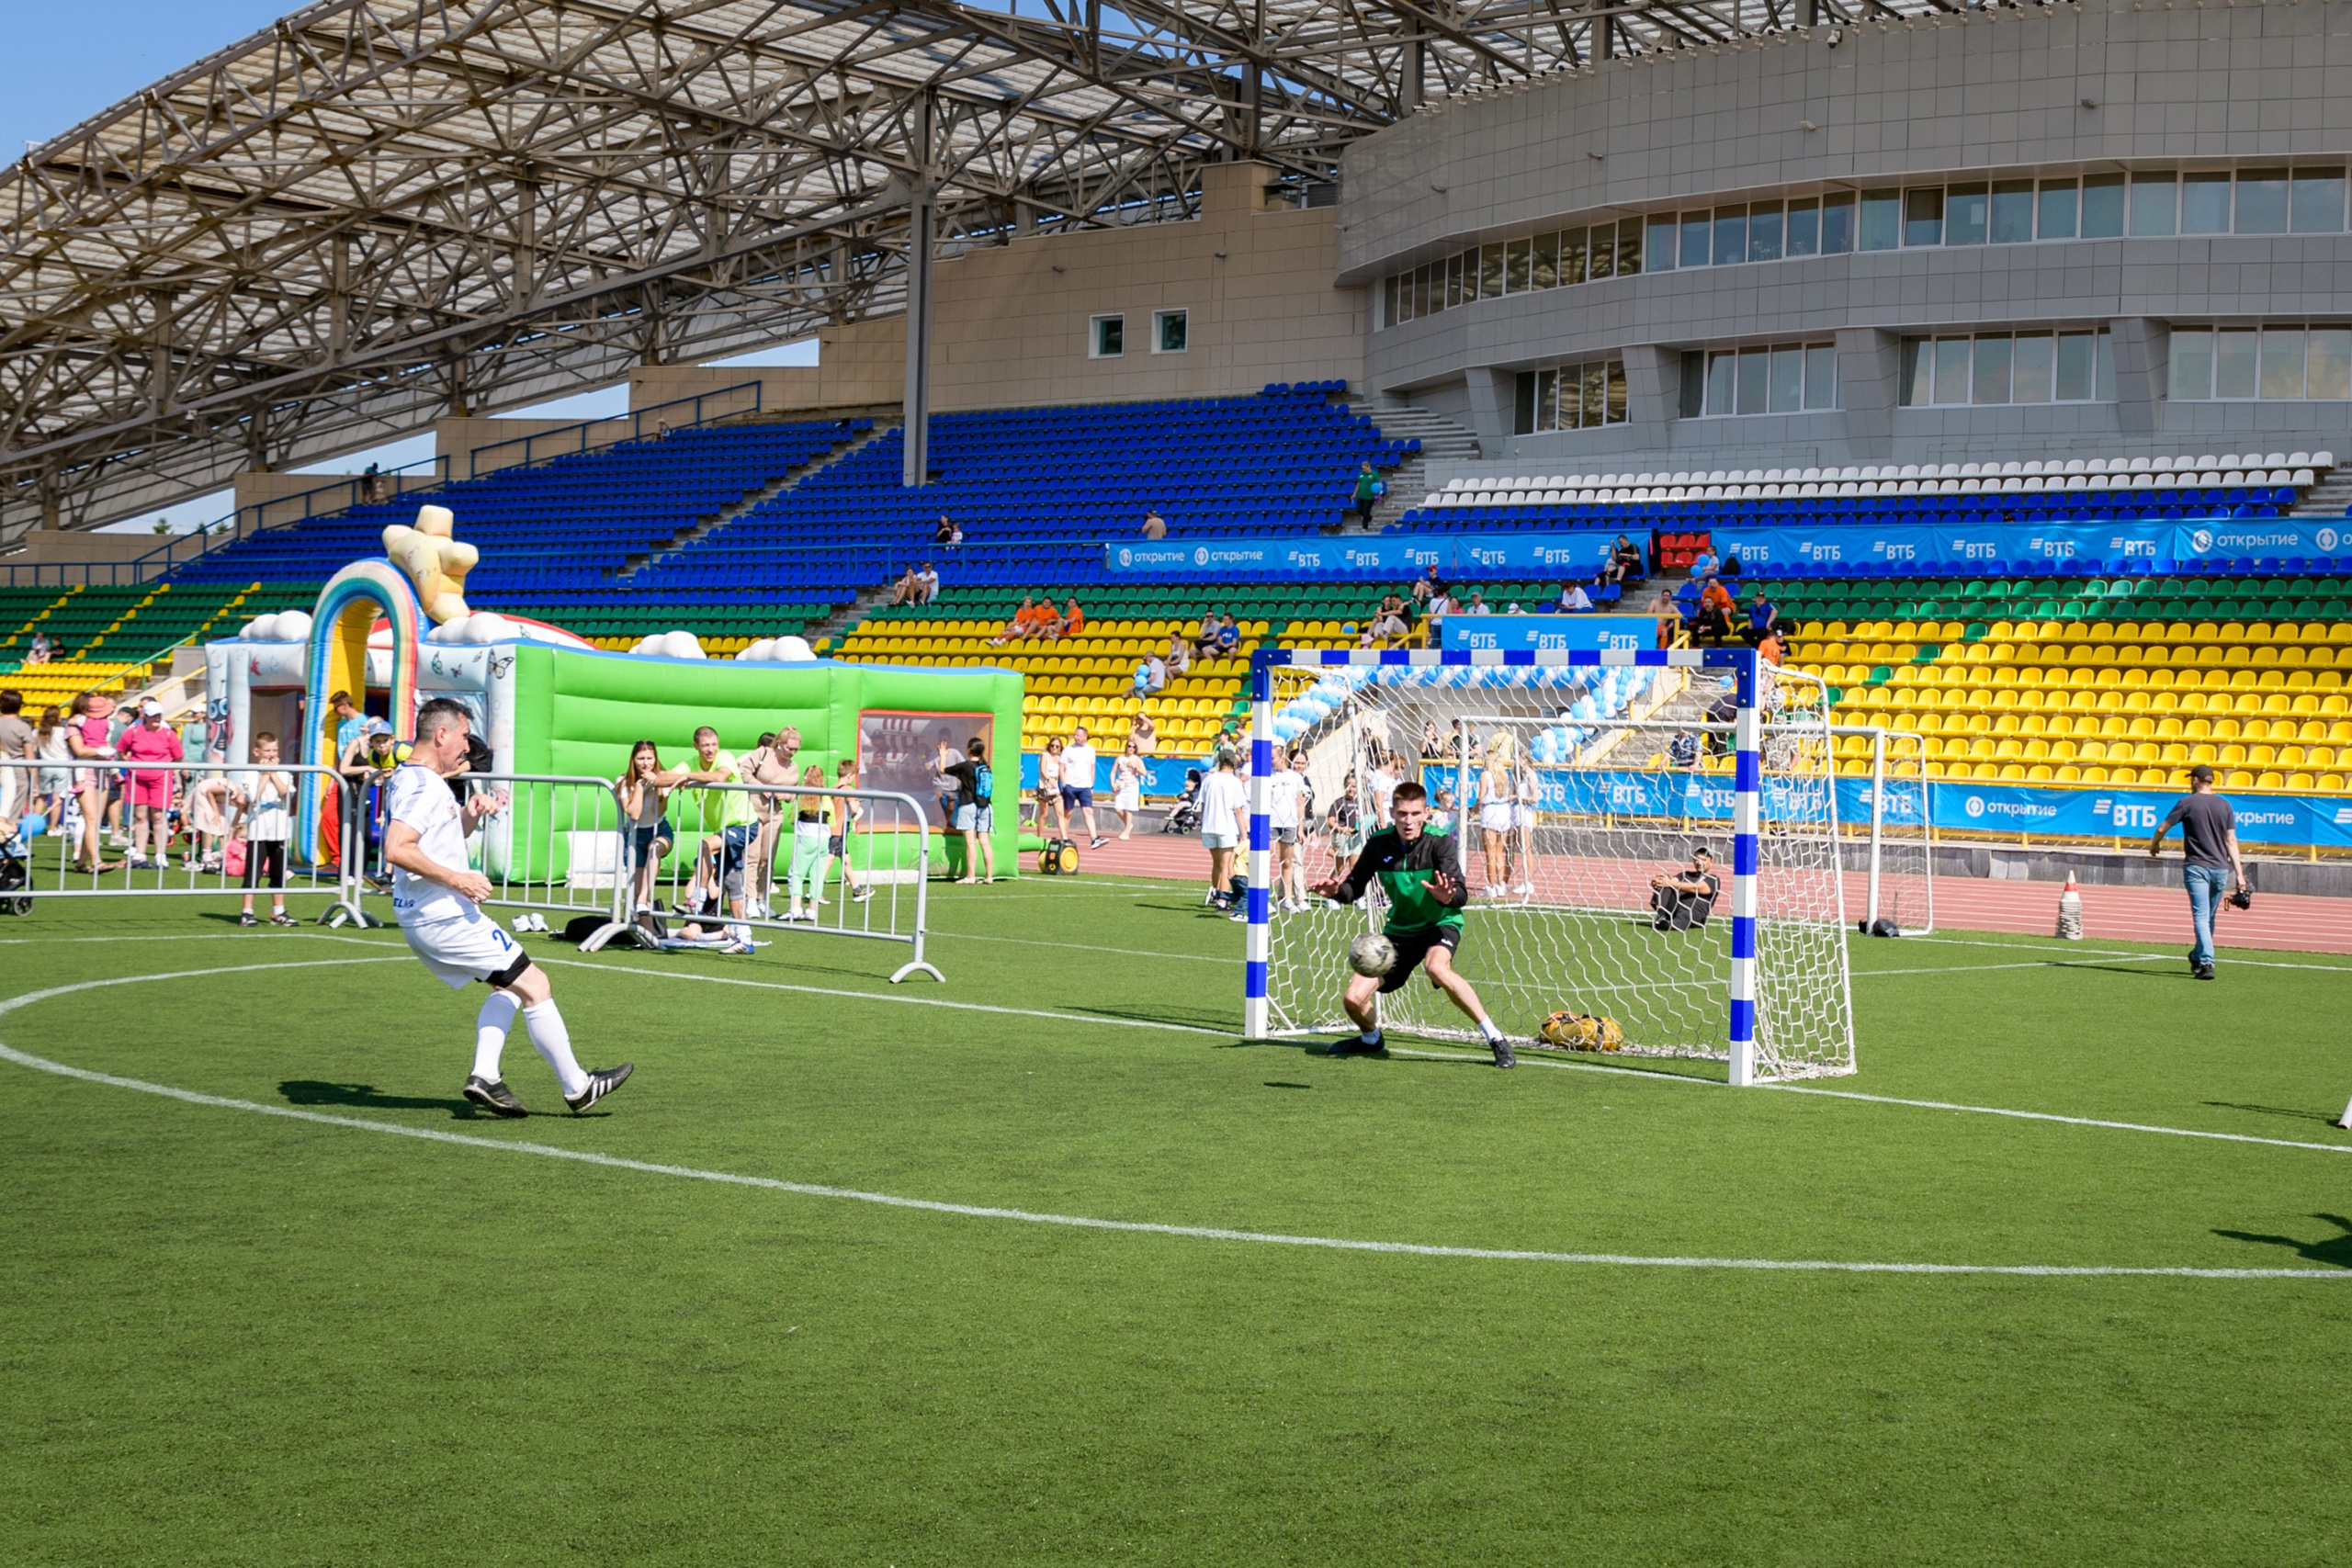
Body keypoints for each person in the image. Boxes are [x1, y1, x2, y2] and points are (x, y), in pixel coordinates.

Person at [383, 696, 631, 1117]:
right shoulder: (424, 785)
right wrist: (458, 878)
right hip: (442, 914)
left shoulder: (413, 777)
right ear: (441, 734)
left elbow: (430, 840)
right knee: (536, 985)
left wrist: (469, 815)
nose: (467, 746)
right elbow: (397, 847)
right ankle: (578, 1087)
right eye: (463, 736)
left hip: (428, 914)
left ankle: (485, 1076)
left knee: (510, 986)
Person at [1311, 782, 1513, 1068]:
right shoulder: (1378, 844)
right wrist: (1337, 892)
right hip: (1399, 931)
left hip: (1439, 922)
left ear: (1425, 813)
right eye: (1402, 813)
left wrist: (1448, 895)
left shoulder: (1439, 841)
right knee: (1352, 999)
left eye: (1415, 813)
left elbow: (1461, 894)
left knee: (1437, 968)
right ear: (1392, 812)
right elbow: (1354, 887)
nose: (1408, 820)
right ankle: (1371, 1039)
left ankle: (1495, 1039)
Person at [2147, 762, 2248, 981]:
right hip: (2220, 868)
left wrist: (2155, 844)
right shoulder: (2225, 805)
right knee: (2209, 916)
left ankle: (2206, 961)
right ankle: (2198, 955)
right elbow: (2231, 841)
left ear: (2195, 780)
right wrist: (2240, 875)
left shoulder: (2187, 802)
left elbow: (2162, 827)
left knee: (2201, 915)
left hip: (2196, 866)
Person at [663, 725, 755, 931]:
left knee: (705, 845)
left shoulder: (725, 757)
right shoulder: (692, 763)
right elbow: (668, 776)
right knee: (732, 883)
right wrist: (650, 777)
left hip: (743, 824)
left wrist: (688, 777)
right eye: (705, 745)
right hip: (723, 830)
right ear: (695, 746)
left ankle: (697, 901)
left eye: (713, 744)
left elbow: (721, 776)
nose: (710, 749)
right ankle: (744, 937)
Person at [232, 732, 297, 927]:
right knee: (254, 872)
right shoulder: (251, 772)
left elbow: (286, 793)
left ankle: (278, 911)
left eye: (274, 750)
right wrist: (263, 776)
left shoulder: (284, 772)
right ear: (257, 751)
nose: (271, 754)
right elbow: (253, 797)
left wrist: (273, 774)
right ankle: (247, 911)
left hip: (279, 829)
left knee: (278, 872)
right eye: (267, 750)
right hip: (258, 829)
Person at [118, 699, 183, 870]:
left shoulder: (168, 734)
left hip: (160, 779)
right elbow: (121, 750)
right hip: (137, 778)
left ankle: (160, 854)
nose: (156, 719)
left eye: (158, 716)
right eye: (152, 716)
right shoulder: (133, 732)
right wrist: (130, 764)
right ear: (145, 716)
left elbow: (178, 756)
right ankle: (140, 852)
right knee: (140, 816)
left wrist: (168, 771)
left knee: (159, 816)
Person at [63, 693, 119, 874]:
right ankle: (96, 861)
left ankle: (81, 863)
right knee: (92, 819)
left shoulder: (103, 725)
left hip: (102, 772)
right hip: (84, 774)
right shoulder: (73, 728)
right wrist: (102, 750)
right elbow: (79, 749)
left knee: (94, 821)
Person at [616, 740, 673, 917]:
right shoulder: (623, 781)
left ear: (656, 759)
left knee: (654, 848)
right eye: (641, 758)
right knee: (636, 892)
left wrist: (657, 786)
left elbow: (658, 811)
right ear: (633, 759)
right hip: (634, 835)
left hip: (659, 830)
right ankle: (642, 925)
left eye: (650, 758)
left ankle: (642, 899)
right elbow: (634, 813)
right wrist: (640, 787)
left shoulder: (662, 778)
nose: (646, 763)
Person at [1197, 748, 1248, 910]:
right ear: (1233, 762)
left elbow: (1203, 805)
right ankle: (1222, 900)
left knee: (1217, 863)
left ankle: (1216, 892)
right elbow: (1238, 809)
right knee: (1227, 865)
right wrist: (1244, 833)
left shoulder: (1209, 779)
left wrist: (1204, 822)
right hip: (1226, 826)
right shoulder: (1234, 782)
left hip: (1209, 825)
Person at [944, 736, 996, 884]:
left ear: (968, 750)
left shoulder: (965, 766)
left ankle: (971, 876)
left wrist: (942, 755)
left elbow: (943, 770)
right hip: (985, 805)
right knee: (985, 842)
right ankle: (989, 876)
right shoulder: (985, 766)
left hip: (968, 805)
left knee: (971, 843)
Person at [1263, 745, 1310, 911]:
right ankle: (1265, 899)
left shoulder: (1296, 778)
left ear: (1282, 758)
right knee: (1265, 861)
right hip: (1270, 823)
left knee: (1287, 861)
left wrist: (1300, 827)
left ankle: (1287, 900)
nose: (1270, 762)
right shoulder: (1267, 777)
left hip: (1289, 824)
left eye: (1272, 758)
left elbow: (1300, 803)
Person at [783, 763, 831, 922]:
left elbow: (792, 817)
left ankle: (796, 908)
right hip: (824, 838)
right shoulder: (825, 796)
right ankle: (812, 910)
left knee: (796, 873)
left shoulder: (803, 796)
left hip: (806, 837)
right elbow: (833, 819)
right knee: (817, 874)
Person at [1476, 734, 1517, 898]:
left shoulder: (1485, 775)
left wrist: (1473, 809)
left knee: (1490, 852)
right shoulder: (1504, 775)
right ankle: (1501, 885)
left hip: (1491, 812)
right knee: (1500, 851)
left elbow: (1481, 796)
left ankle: (1491, 885)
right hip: (1504, 812)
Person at [828, 757, 870, 905]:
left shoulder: (833, 788)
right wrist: (857, 805)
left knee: (846, 860)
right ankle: (815, 891)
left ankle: (857, 889)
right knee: (829, 858)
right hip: (839, 829)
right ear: (850, 775)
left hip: (833, 827)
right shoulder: (848, 790)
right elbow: (853, 809)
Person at [1649, 847, 1720, 931]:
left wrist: (1670, 883)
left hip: (1695, 914)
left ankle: (1670, 925)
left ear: (1711, 862)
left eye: (1703, 860)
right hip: (1677, 908)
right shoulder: (1686, 875)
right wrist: (1658, 881)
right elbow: (1671, 881)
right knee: (1664, 885)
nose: (1699, 862)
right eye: (1696, 859)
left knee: (1686, 915)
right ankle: (1661, 917)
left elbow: (1697, 888)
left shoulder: (1713, 879)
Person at [1062, 724, 1104, 847]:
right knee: (1068, 813)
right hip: (1071, 785)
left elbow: (1092, 769)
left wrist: (1091, 785)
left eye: (1078, 735)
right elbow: (1062, 767)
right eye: (1075, 735)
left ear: (1085, 736)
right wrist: (1065, 784)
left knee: (1088, 811)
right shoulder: (1068, 749)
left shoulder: (1091, 750)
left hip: (1085, 786)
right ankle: (1064, 837)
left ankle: (1094, 838)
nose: (1076, 737)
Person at [1323, 770, 1363, 886]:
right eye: (1348, 786)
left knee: (1355, 867)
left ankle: (1357, 894)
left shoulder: (1361, 803)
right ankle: (1330, 893)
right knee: (1340, 868)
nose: (1351, 789)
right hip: (1342, 837)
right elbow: (1330, 821)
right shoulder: (1339, 802)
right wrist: (1342, 829)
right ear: (1344, 786)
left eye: (1354, 786)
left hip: (1356, 838)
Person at [0, 691, 32, 829]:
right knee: (12, 815)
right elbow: (29, 755)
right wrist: (34, 780)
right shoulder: (23, 727)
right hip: (18, 769)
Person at [1111, 739, 1148, 840]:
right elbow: (1113, 772)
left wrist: (1134, 767)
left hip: (1132, 785)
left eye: (1133, 747)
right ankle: (1128, 824)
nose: (1131, 748)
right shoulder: (1120, 758)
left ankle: (1126, 831)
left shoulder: (1137, 759)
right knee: (1118, 809)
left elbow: (1144, 773)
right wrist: (1113, 784)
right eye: (1129, 746)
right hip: (1121, 785)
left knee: (1128, 809)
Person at [1036, 735, 1068, 838]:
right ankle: (1040, 836)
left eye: (1057, 746)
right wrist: (1049, 780)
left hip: (1056, 789)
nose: (1054, 748)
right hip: (1045, 788)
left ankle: (1064, 837)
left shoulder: (1059, 758)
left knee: (1060, 814)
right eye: (1052, 745)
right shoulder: (1044, 756)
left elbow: (1062, 772)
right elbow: (1042, 770)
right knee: (1044, 814)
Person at [1693, 575, 1735, 644]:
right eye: (1710, 583)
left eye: (1714, 583)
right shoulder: (1705, 591)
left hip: (1726, 607)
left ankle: (1727, 624)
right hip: (1711, 607)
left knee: (1723, 611)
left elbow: (1724, 604)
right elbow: (1703, 602)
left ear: (1717, 583)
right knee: (1700, 611)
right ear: (1708, 584)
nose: (1712, 585)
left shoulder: (1722, 590)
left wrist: (1713, 609)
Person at [1351, 460, 1381, 525]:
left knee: (1366, 511)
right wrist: (1354, 494)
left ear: (1369, 467)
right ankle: (1369, 517)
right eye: (1363, 469)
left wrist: (1379, 491)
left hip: (1369, 496)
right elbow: (1358, 483)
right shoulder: (1361, 474)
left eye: (1365, 468)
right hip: (1360, 495)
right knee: (1358, 510)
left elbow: (1379, 483)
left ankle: (1364, 527)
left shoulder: (1374, 474)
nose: (1364, 470)